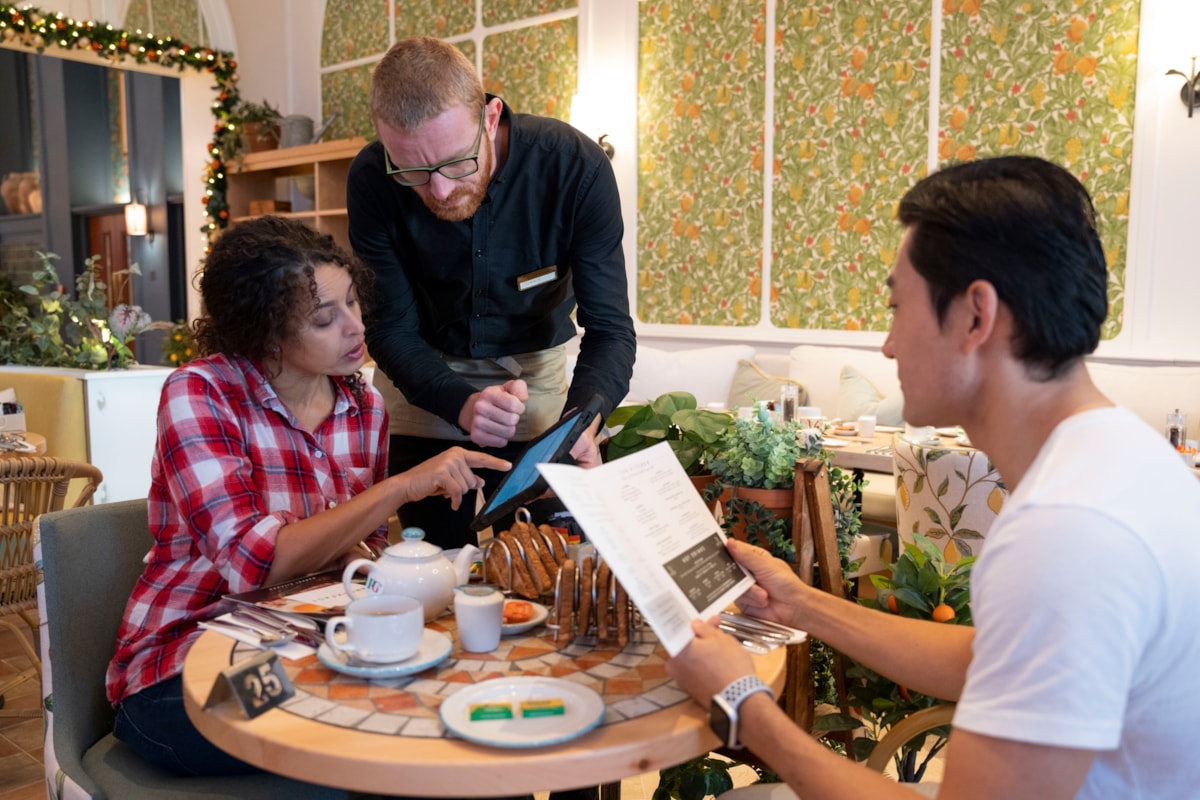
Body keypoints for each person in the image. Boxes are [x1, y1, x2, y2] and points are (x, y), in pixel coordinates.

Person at [666, 156, 1200, 799]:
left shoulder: (1068, 533)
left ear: (977, 315)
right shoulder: (1123, 459)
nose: (888, 345)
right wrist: (802, 603)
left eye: (896, 307)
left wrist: (743, 702)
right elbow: (989, 661)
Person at [105, 216, 509, 778]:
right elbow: (255, 563)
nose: (354, 327)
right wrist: (399, 487)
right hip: (183, 669)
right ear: (266, 330)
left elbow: (357, 547)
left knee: (446, 707)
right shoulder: (200, 393)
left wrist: (384, 571)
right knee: (352, 730)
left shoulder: (363, 407)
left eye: (353, 303)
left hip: (308, 648)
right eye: (325, 318)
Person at [347, 36, 636, 549]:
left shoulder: (576, 168)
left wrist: (581, 424)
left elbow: (610, 329)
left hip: (539, 381)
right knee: (430, 563)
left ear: (489, 115)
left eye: (456, 163)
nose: (438, 191)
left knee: (543, 563)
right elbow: (389, 327)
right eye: (412, 170)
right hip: (422, 377)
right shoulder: (372, 179)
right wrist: (459, 401)